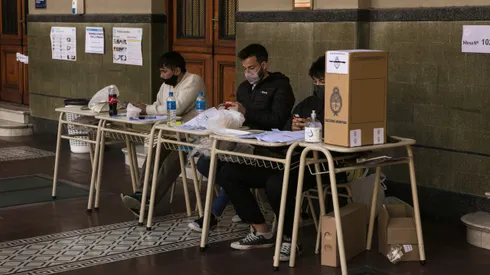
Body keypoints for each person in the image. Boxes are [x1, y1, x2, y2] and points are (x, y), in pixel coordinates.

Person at [218, 56, 346, 261]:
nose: (318, 86)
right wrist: (293, 126)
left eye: (323, 81)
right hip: (287, 157)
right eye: (315, 81)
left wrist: (318, 128)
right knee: (229, 173)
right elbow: (286, 125)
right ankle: (261, 231)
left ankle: (289, 239)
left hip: (317, 164)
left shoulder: (345, 105)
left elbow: (342, 135)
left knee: (277, 183)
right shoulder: (308, 103)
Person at [187, 44, 296, 232]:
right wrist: (229, 113)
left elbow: (278, 119)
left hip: (267, 144)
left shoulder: (281, 86)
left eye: (252, 68)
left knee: (229, 170)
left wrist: (247, 112)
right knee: (205, 163)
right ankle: (240, 201)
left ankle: (214, 215)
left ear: (264, 65)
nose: (248, 73)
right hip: (242, 139)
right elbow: (241, 118)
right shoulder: (244, 88)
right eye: (245, 69)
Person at [120, 51, 206, 216]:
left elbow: (177, 108)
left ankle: (148, 202)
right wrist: (142, 110)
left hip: (191, 136)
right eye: (160, 71)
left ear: (177, 71)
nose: (162, 75)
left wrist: (148, 109)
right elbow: (158, 105)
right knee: (153, 156)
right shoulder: (166, 85)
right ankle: (140, 194)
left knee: (171, 163)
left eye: (164, 71)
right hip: (171, 133)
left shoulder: (194, 80)